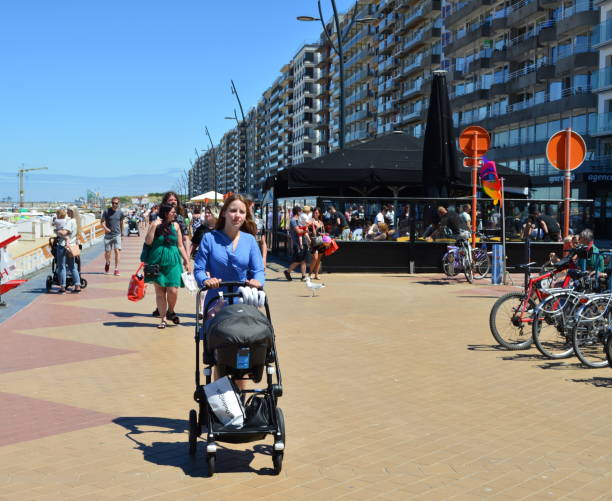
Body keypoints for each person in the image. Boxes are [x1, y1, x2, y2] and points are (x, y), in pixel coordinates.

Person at [194, 194, 265, 390]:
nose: (237, 215)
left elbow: (258, 270)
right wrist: (206, 280)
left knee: (243, 357)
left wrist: (257, 282)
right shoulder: (210, 238)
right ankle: (223, 402)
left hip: (243, 303)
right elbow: (199, 269)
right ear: (224, 213)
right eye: (233, 210)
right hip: (217, 303)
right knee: (221, 359)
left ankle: (239, 403)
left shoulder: (250, 241)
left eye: (242, 212)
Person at [144, 203, 190, 329]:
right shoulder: (155, 224)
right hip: (156, 260)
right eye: (172, 212)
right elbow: (148, 241)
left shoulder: (176, 225)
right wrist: (153, 226)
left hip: (173, 261)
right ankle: (163, 318)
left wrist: (187, 260)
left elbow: (180, 245)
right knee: (160, 292)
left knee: (173, 290)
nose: (175, 214)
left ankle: (171, 310)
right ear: (165, 213)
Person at [55, 207, 82, 294]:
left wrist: (56, 231)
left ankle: (63, 287)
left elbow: (64, 233)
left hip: (64, 246)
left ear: (72, 212)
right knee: (72, 267)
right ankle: (77, 286)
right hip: (72, 246)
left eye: (69, 211)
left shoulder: (70, 221)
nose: (67, 212)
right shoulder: (77, 222)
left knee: (61, 267)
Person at [101, 197, 125, 276]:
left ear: (118, 204)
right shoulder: (106, 211)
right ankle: (107, 262)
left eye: (116, 203)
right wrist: (105, 228)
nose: (114, 204)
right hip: (108, 235)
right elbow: (102, 222)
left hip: (117, 234)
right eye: (113, 203)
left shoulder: (120, 213)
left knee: (117, 251)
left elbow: (121, 223)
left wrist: (122, 234)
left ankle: (116, 269)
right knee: (108, 253)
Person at [284, 206, 308, 281]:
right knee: (298, 260)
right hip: (297, 243)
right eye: (301, 211)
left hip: (303, 242)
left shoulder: (300, 220)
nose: (302, 213)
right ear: (298, 212)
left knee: (303, 260)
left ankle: (303, 276)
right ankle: (287, 272)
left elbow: (303, 229)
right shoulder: (293, 221)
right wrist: (306, 230)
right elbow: (298, 231)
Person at [308, 207, 326, 280]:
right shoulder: (310, 221)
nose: (316, 214)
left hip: (320, 242)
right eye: (315, 212)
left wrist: (323, 234)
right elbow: (307, 231)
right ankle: (309, 274)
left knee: (319, 259)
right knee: (315, 258)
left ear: (319, 214)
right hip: (314, 242)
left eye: (317, 213)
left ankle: (316, 274)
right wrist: (312, 232)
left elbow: (324, 232)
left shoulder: (321, 222)